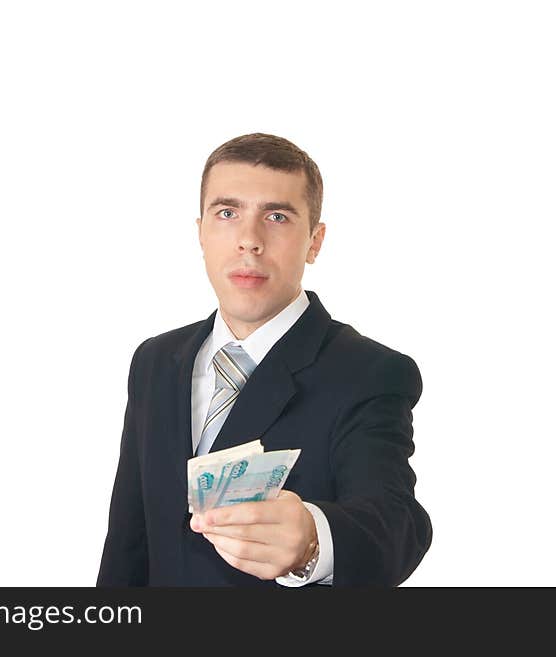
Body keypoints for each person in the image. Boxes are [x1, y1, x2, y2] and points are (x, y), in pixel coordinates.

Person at [96, 133, 432, 587]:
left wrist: (314, 540)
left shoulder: (370, 373)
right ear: (200, 232)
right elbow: (128, 543)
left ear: (315, 241)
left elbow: (396, 522)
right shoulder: (156, 361)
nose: (248, 241)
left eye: (276, 216)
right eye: (227, 213)